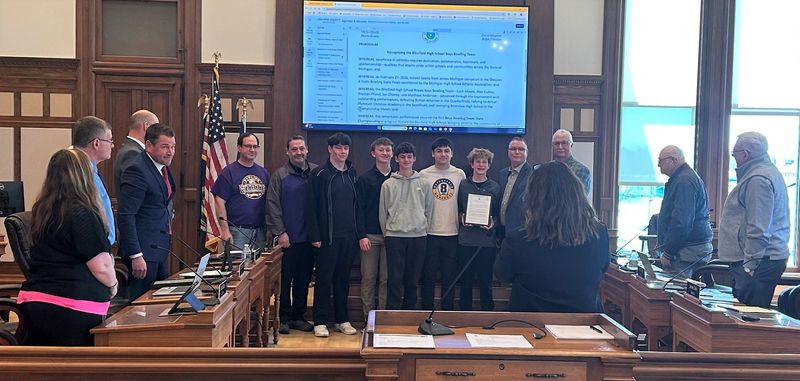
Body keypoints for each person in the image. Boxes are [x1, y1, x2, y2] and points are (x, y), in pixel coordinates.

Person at [17, 149, 118, 345]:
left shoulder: (41, 210)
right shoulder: (82, 213)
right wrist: (113, 286)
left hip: (34, 302)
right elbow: (102, 268)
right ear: (84, 176)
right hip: (74, 307)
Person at [495, 161, 609, 312]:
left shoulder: (518, 239)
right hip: (584, 324)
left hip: (530, 325)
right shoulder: (599, 233)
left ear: (532, 197)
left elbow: (503, 275)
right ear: (577, 194)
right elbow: (603, 267)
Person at [306, 132, 368, 337]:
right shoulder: (320, 174)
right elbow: (311, 207)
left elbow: (357, 207)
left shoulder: (352, 173)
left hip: (348, 238)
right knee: (324, 279)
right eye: (339, 148)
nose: (343, 151)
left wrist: (360, 234)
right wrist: (315, 235)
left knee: (343, 280)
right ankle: (320, 321)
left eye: (346, 148)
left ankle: (342, 319)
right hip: (326, 238)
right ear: (330, 149)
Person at [719, 132, 790, 308]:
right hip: (761, 260)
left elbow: (758, 227)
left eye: (734, 154)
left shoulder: (758, 179)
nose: (734, 158)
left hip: (758, 263)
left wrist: (749, 266)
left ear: (745, 154)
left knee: (750, 322)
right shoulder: (764, 172)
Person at [117, 123, 176, 300]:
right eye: (165, 147)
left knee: (158, 301)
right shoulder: (137, 169)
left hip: (159, 247)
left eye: (173, 147)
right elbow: (126, 215)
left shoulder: (162, 168)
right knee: (140, 307)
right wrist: (136, 255)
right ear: (149, 145)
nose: (170, 152)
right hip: (143, 252)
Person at [267, 135, 317, 334]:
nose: (298, 152)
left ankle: (299, 316)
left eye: (301, 149)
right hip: (288, 238)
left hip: (310, 238)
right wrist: (280, 232)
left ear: (307, 150)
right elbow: (272, 205)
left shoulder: (316, 172)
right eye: (294, 149)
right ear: (288, 152)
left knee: (304, 279)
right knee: (285, 280)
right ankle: (284, 317)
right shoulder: (280, 176)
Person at [379, 142, 432, 310]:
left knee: (413, 279)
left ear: (414, 159)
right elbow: (382, 212)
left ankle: (409, 315)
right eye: (402, 157)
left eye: (409, 157)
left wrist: (423, 229)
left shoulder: (424, 183)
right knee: (394, 279)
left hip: (418, 237)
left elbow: (429, 210)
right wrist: (387, 232)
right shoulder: (388, 184)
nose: (406, 160)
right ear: (396, 159)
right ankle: (393, 314)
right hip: (394, 237)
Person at [419, 137, 466, 311]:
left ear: (452, 153)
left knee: (449, 277)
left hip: (452, 233)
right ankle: (426, 310)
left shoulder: (459, 174)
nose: (443, 154)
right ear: (433, 154)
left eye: (446, 150)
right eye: (439, 151)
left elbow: (464, 202)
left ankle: (447, 312)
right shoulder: (424, 174)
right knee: (428, 276)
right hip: (429, 232)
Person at [655, 145, 713, 277]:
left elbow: (682, 221)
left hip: (687, 250)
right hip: (687, 248)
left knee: (679, 293)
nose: (658, 165)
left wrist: (669, 252)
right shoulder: (681, 178)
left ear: (673, 160)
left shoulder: (684, 180)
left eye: (661, 161)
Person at [457, 148, 501, 311]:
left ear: (489, 165)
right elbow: (457, 209)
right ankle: (464, 314)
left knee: (485, 282)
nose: (481, 164)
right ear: (472, 164)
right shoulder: (463, 185)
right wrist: (462, 218)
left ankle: (487, 315)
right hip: (466, 241)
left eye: (484, 162)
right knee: (465, 282)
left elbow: (498, 214)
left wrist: (493, 223)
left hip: (486, 242)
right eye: (478, 161)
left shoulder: (495, 187)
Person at [356, 137, 394, 319]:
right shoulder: (364, 179)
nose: (385, 153)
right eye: (381, 150)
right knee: (369, 278)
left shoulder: (398, 178)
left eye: (388, 150)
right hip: (370, 236)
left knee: (387, 279)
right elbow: (359, 209)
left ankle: (383, 319)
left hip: (392, 236)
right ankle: (368, 319)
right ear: (373, 153)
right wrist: (361, 235)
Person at [212, 132, 269, 250]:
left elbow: (269, 203)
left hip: (260, 231)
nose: (252, 149)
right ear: (239, 148)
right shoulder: (229, 172)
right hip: (238, 231)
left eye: (255, 146)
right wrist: (224, 230)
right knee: (239, 267)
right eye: (248, 146)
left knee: (260, 268)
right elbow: (219, 201)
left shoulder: (263, 173)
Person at [72, 116, 116, 246]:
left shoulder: (91, 170)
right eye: (110, 140)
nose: (112, 146)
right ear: (96, 143)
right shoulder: (79, 173)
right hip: (92, 250)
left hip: (100, 246)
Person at [113, 110, 159, 194]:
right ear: (146, 126)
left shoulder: (132, 150)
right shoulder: (132, 153)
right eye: (155, 128)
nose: (158, 133)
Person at [497, 137, 533, 239]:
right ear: (508, 152)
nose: (517, 152)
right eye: (513, 149)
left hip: (521, 231)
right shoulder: (502, 174)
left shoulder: (533, 174)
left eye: (521, 149)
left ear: (527, 152)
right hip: (502, 230)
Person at [552, 129, 591, 194]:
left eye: (564, 143)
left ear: (571, 145)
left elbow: (578, 197)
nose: (560, 147)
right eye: (556, 143)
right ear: (552, 146)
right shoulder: (547, 169)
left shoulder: (581, 170)